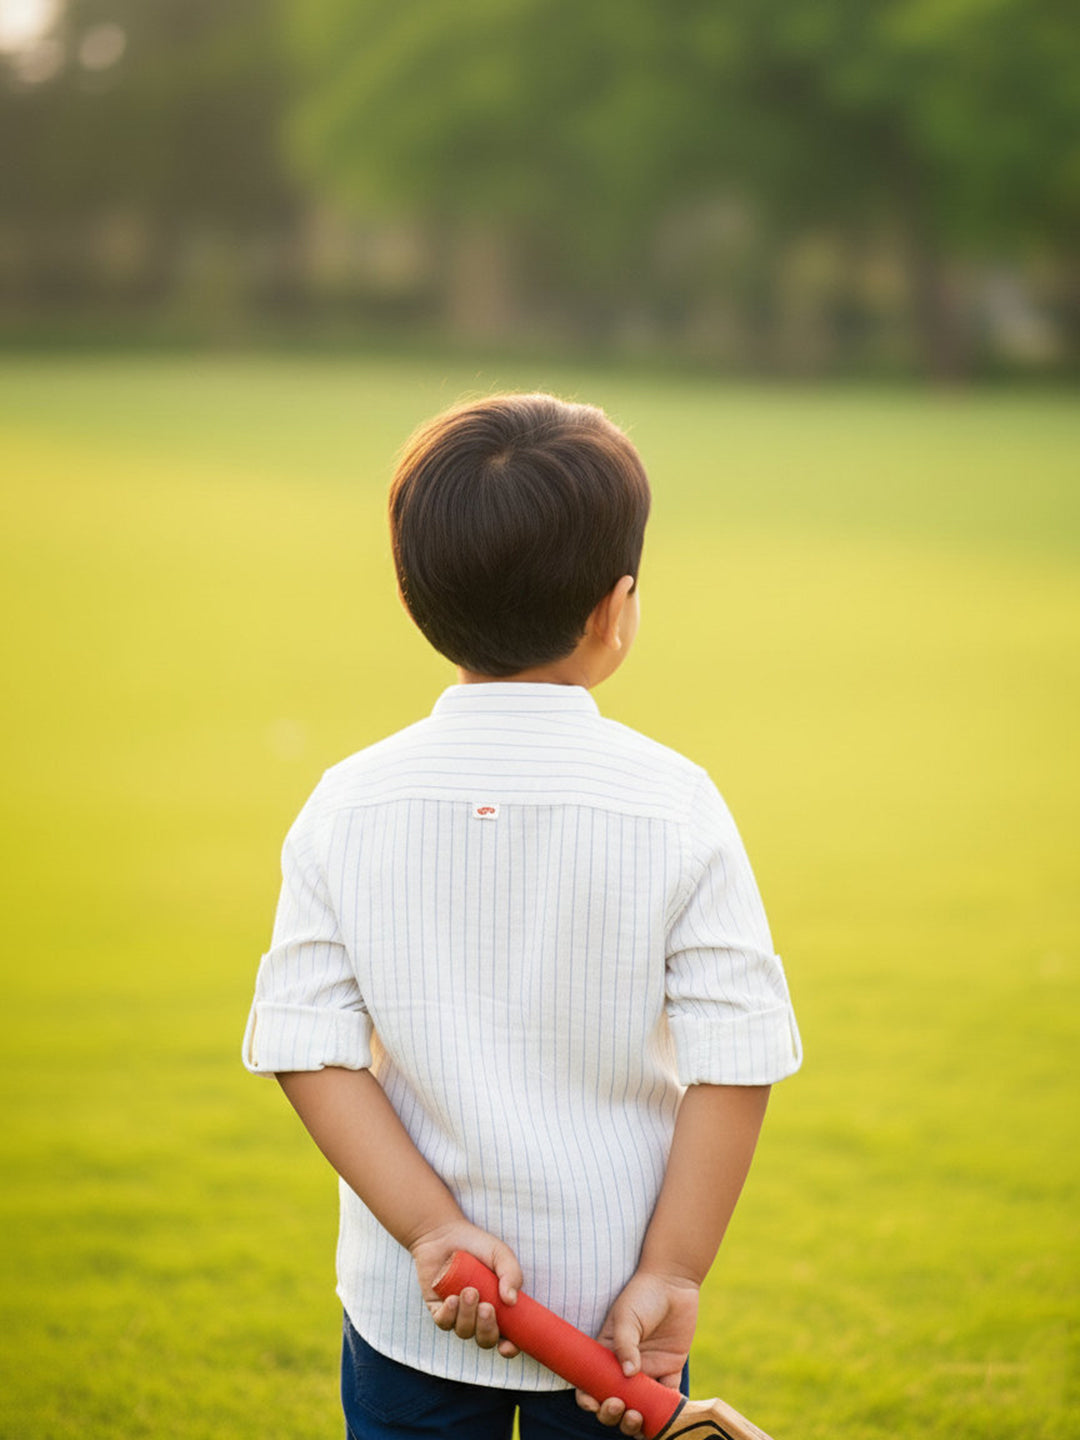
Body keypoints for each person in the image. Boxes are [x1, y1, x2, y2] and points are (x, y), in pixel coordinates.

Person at [242, 392, 802, 1439]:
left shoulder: (347, 802)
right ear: (615, 608)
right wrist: (674, 1271)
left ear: (416, 597)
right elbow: (737, 1058)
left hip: (416, 1304)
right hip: (617, 1323)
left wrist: (430, 1227)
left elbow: (306, 1045)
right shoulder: (677, 802)